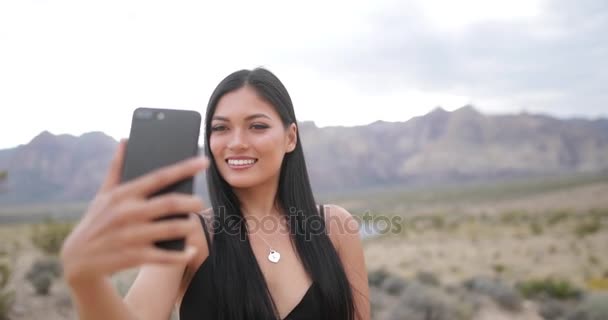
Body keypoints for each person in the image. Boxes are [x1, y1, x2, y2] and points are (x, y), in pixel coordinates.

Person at [60, 68, 370, 320]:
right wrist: (87, 280)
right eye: (220, 128)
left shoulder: (335, 228)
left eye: (257, 126)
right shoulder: (188, 234)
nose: (235, 142)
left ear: (290, 137)